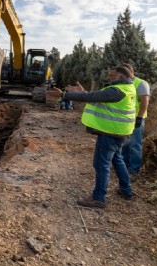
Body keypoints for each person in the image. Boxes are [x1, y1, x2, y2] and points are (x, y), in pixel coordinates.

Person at [53, 66, 136, 208]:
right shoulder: (128, 88)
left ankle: (98, 198)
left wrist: (63, 95)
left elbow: (90, 97)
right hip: (122, 133)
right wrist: (83, 91)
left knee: (101, 164)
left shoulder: (116, 90)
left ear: (121, 77)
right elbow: (96, 97)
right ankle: (126, 191)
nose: (108, 78)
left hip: (110, 133)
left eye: (111, 76)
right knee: (118, 160)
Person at [119, 63, 150, 180]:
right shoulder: (124, 83)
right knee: (125, 143)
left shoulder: (141, 84)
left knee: (135, 144)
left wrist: (140, 117)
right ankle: (124, 166)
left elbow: (145, 102)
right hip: (126, 119)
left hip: (137, 119)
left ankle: (134, 170)